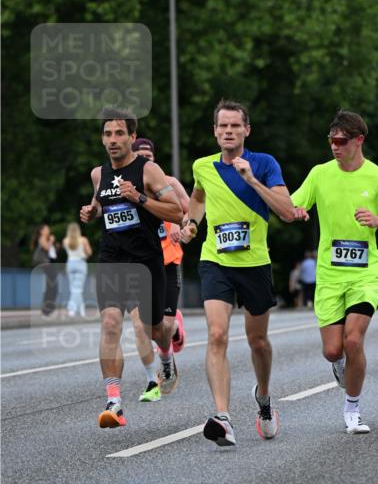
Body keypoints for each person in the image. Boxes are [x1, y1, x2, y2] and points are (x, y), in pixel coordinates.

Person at [181, 100, 305, 447]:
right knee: (217, 334)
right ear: (215, 131)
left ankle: (263, 398)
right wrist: (191, 225)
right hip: (215, 261)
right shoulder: (202, 166)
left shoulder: (264, 163)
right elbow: (198, 199)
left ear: (246, 130)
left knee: (258, 342)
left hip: (254, 264)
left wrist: (251, 180)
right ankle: (223, 417)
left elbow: (287, 212)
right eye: (222, 126)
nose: (228, 131)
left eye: (235, 126)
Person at [291, 110, 378, 434]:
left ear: (359, 140)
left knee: (354, 339)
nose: (335, 146)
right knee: (333, 350)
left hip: (365, 273)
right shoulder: (319, 174)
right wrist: (297, 211)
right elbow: (293, 205)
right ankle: (340, 364)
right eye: (331, 140)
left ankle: (353, 409)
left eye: (341, 141)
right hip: (330, 275)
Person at [80, 111, 183, 428]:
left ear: (131, 137)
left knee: (155, 329)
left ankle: (165, 355)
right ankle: (114, 402)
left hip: (146, 262)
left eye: (119, 133)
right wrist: (92, 211)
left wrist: (139, 197)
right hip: (112, 259)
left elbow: (176, 212)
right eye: (107, 134)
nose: (113, 140)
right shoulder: (98, 174)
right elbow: (101, 204)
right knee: (111, 324)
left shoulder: (148, 171)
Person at [129, 137, 190, 402]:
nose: (146, 159)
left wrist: (179, 223)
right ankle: (155, 375)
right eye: (140, 155)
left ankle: (172, 335)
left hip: (167, 261)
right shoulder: (125, 188)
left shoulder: (170, 183)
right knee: (144, 326)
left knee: (163, 326)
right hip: (138, 264)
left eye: (149, 156)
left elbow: (190, 211)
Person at [62, 222, 92, 317]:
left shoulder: (65, 241)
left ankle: (79, 309)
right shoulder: (83, 240)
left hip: (70, 263)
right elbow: (89, 252)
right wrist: (84, 255)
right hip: (80, 263)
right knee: (78, 289)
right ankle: (75, 309)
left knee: (73, 289)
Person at [31, 224, 60, 316]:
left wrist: (56, 246)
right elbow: (46, 247)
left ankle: (47, 309)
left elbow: (52, 254)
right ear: (42, 231)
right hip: (43, 264)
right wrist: (51, 240)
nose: (49, 230)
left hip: (48, 264)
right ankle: (46, 309)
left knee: (51, 286)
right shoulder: (42, 238)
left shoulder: (46, 239)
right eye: (47, 229)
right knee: (52, 286)